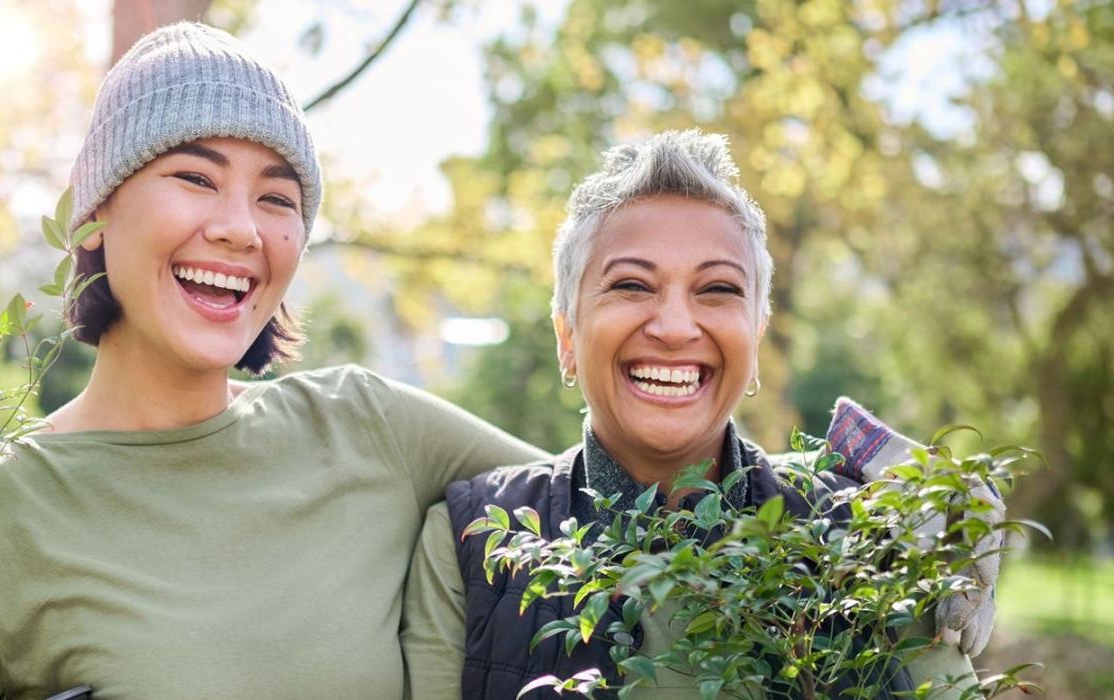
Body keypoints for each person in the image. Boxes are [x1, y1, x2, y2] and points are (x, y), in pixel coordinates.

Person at [0, 24, 987, 700]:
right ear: (95, 212)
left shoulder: (368, 428)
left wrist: (899, 515)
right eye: (193, 177)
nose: (238, 226)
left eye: (278, 197)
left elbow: (645, 483)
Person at [400, 131, 984, 699]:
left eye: (718, 289)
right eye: (631, 284)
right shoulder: (468, 539)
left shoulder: (866, 530)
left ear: (756, 338)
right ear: (567, 338)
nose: (676, 327)